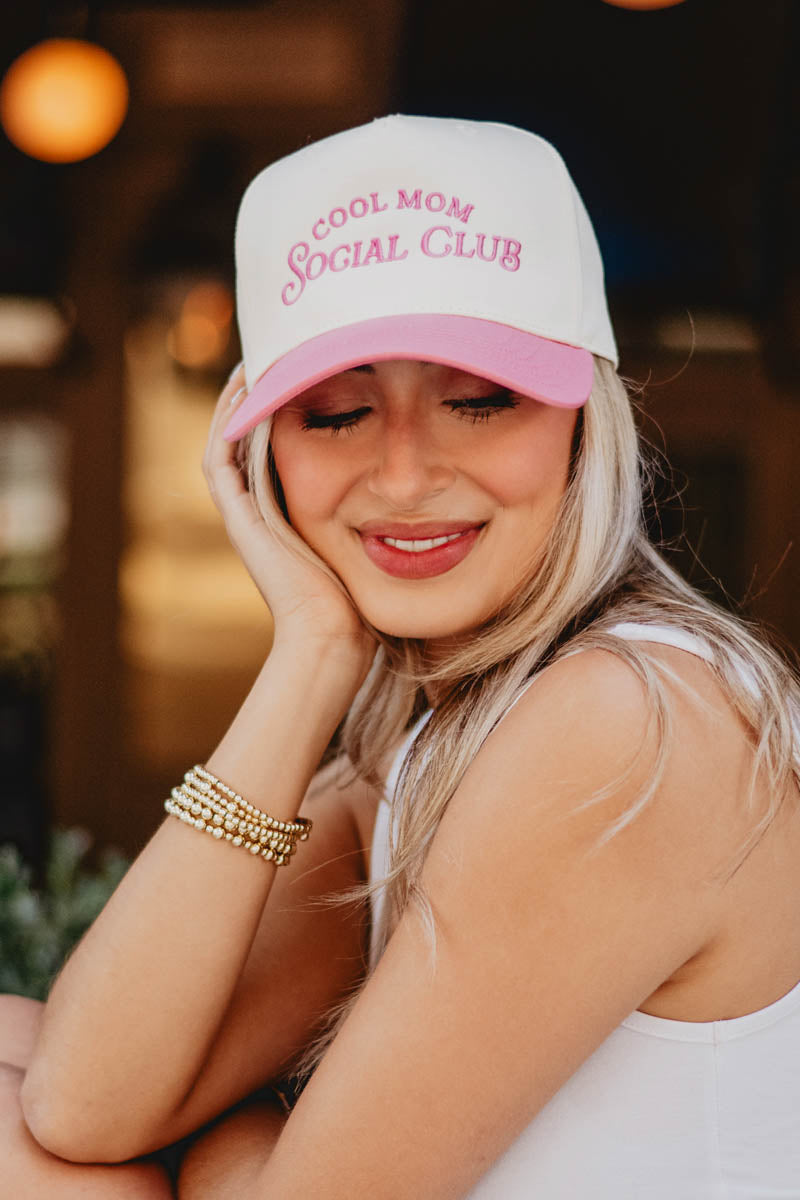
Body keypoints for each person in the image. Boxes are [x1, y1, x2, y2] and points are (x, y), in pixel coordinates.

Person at [2, 114, 799, 1199]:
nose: (406, 471)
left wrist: (219, 1141)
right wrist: (311, 654)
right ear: (258, 447)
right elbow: (88, 1099)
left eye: (478, 400)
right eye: (333, 414)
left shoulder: (623, 723)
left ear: (583, 418)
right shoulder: (440, 723)